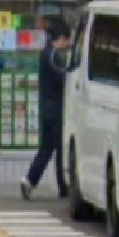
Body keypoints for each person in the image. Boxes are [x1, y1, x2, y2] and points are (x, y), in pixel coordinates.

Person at [20, 16, 73, 201]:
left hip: (47, 109)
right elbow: (63, 79)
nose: (67, 45)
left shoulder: (45, 53)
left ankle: (29, 180)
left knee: (46, 149)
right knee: (60, 150)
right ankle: (64, 187)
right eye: (66, 41)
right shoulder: (54, 55)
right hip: (56, 111)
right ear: (60, 39)